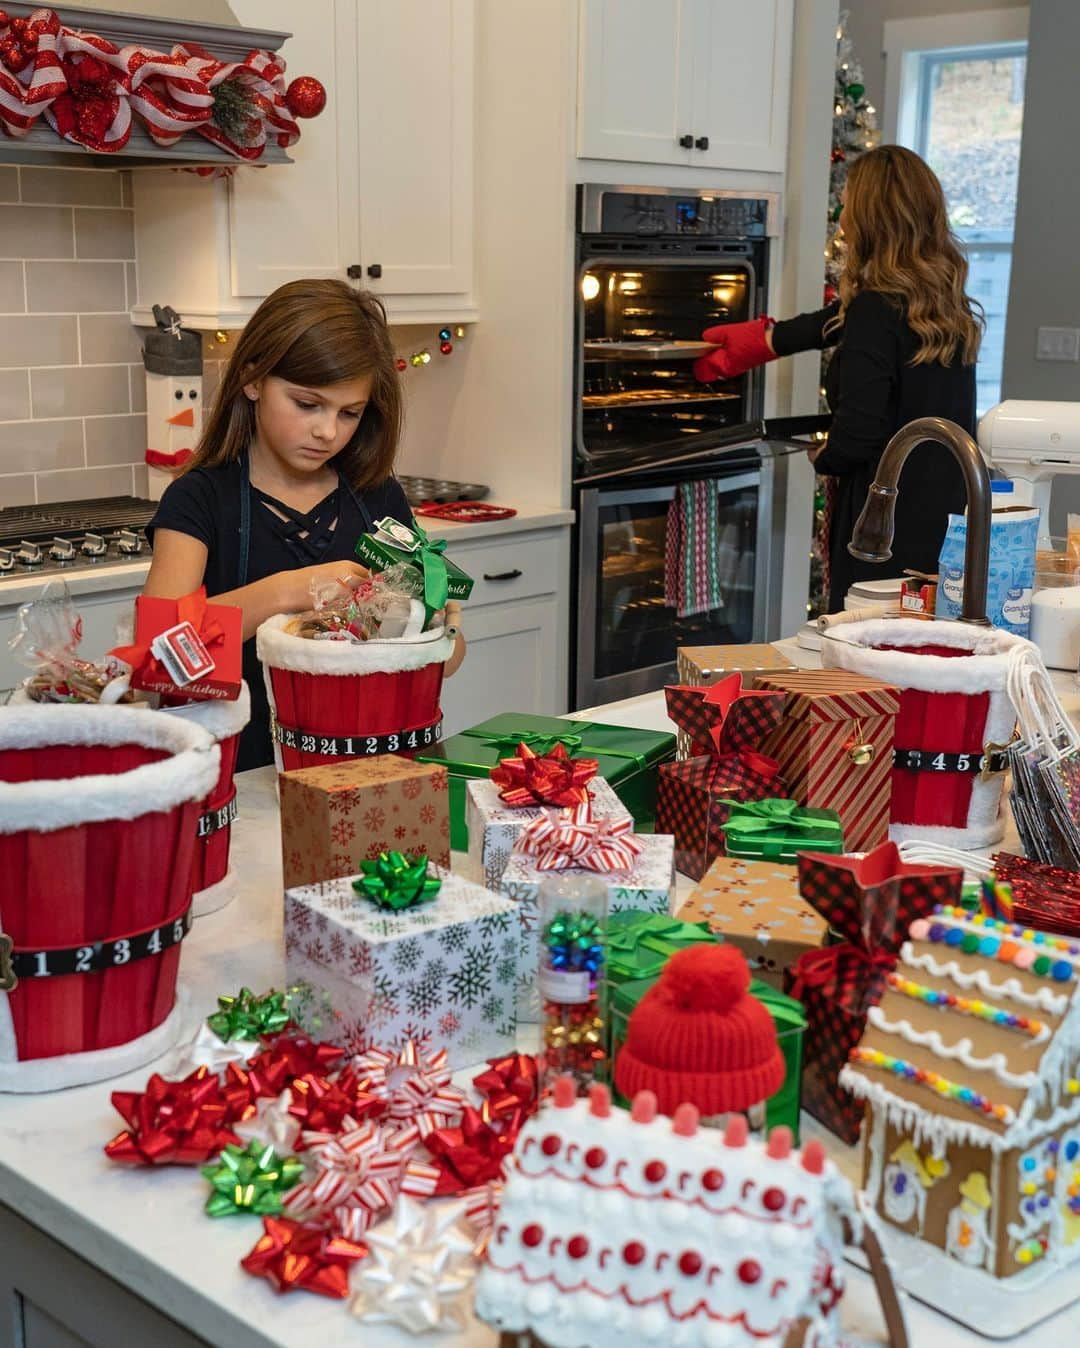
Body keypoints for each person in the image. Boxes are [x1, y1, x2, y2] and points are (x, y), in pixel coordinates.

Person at [144, 278, 466, 770]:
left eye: (349, 413)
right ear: (253, 379)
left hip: (366, 774)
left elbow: (448, 659)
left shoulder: (375, 495)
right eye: (307, 403)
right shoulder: (201, 499)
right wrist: (288, 591)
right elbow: (158, 655)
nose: (327, 431)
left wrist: (434, 628)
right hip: (238, 780)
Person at [694, 144, 984, 613]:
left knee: (862, 648)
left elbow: (860, 431)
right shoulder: (939, 302)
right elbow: (834, 321)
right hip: (946, 514)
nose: (843, 216)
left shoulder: (876, 307)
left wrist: (825, 454)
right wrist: (766, 340)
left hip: (884, 523)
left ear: (870, 217)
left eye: (848, 202)